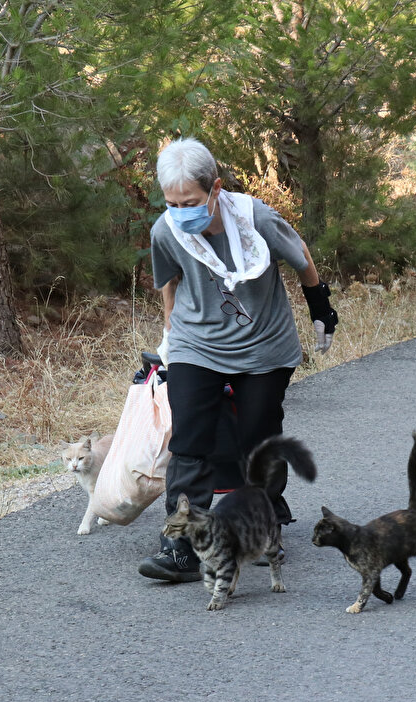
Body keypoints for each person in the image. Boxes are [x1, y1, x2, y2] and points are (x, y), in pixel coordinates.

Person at [138, 137, 338, 582]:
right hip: (197, 343)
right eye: (171, 202)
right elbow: (168, 280)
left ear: (215, 189)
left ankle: (261, 530)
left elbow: (300, 255)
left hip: (263, 344)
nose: (180, 210)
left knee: (257, 440)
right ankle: (182, 546)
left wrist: (321, 309)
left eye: (189, 200)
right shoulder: (166, 230)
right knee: (189, 439)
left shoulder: (255, 218)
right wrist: (170, 335)